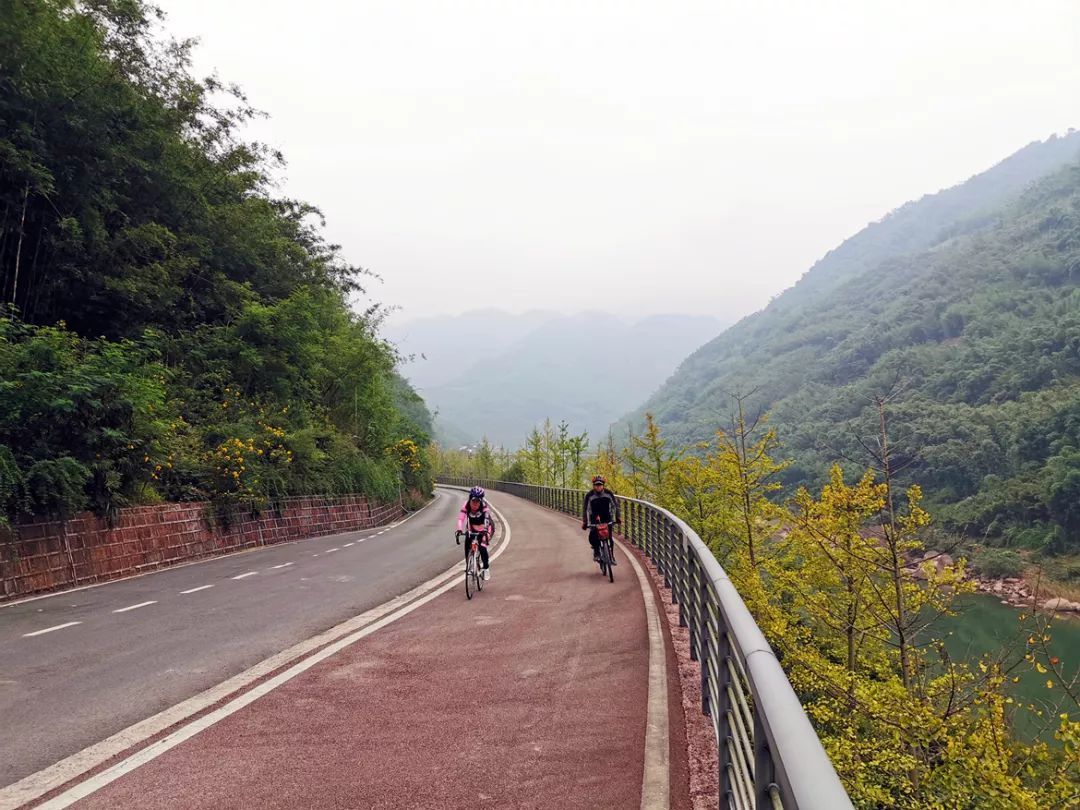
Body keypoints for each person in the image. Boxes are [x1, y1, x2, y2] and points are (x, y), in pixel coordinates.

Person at [456, 486, 494, 580]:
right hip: (472, 528)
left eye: (478, 501)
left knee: (482, 546)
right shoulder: (466, 505)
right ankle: (471, 563)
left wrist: (485, 531)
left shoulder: (484, 507)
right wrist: (459, 529)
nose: (475, 503)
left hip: (485, 528)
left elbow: (487, 520)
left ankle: (486, 569)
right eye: (473, 500)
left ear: (481, 501)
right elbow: (461, 518)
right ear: (470, 499)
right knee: (467, 544)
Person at [582, 475, 620, 564]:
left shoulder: (608, 493)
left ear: (603, 485)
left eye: (600, 484)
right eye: (596, 485)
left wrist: (618, 517)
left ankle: (611, 556)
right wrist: (585, 522)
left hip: (607, 516)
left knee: (609, 537)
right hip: (594, 517)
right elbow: (585, 509)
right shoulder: (589, 495)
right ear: (593, 485)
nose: (598, 486)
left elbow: (615, 506)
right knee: (592, 536)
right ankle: (596, 551)